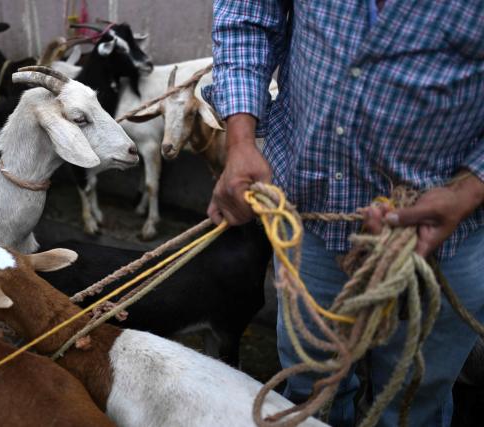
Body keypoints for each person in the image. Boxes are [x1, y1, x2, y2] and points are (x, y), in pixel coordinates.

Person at [203, 1, 484, 426]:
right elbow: (248, 15)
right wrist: (241, 140)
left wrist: (469, 190)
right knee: (311, 388)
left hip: (452, 238)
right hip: (310, 215)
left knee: (413, 399)